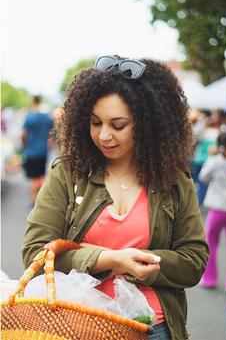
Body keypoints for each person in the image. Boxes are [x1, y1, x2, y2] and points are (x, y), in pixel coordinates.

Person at [22, 55, 209, 340]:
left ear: (148, 126)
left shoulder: (174, 180)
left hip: (154, 329)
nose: (104, 135)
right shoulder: (68, 173)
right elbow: (35, 252)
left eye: (118, 125)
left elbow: (193, 261)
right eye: (95, 123)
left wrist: (146, 266)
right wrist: (110, 259)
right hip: (78, 324)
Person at [199, 131, 226, 291]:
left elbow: (203, 177)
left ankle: (210, 279)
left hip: (217, 207)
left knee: (210, 243)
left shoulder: (214, 160)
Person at [20, 95, 53, 205]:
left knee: (33, 179)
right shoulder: (46, 117)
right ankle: (42, 201)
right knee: (41, 176)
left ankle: (33, 202)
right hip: (43, 151)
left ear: (32, 101)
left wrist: (25, 146)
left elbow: (22, 135)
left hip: (31, 152)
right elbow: (51, 133)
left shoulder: (29, 117)